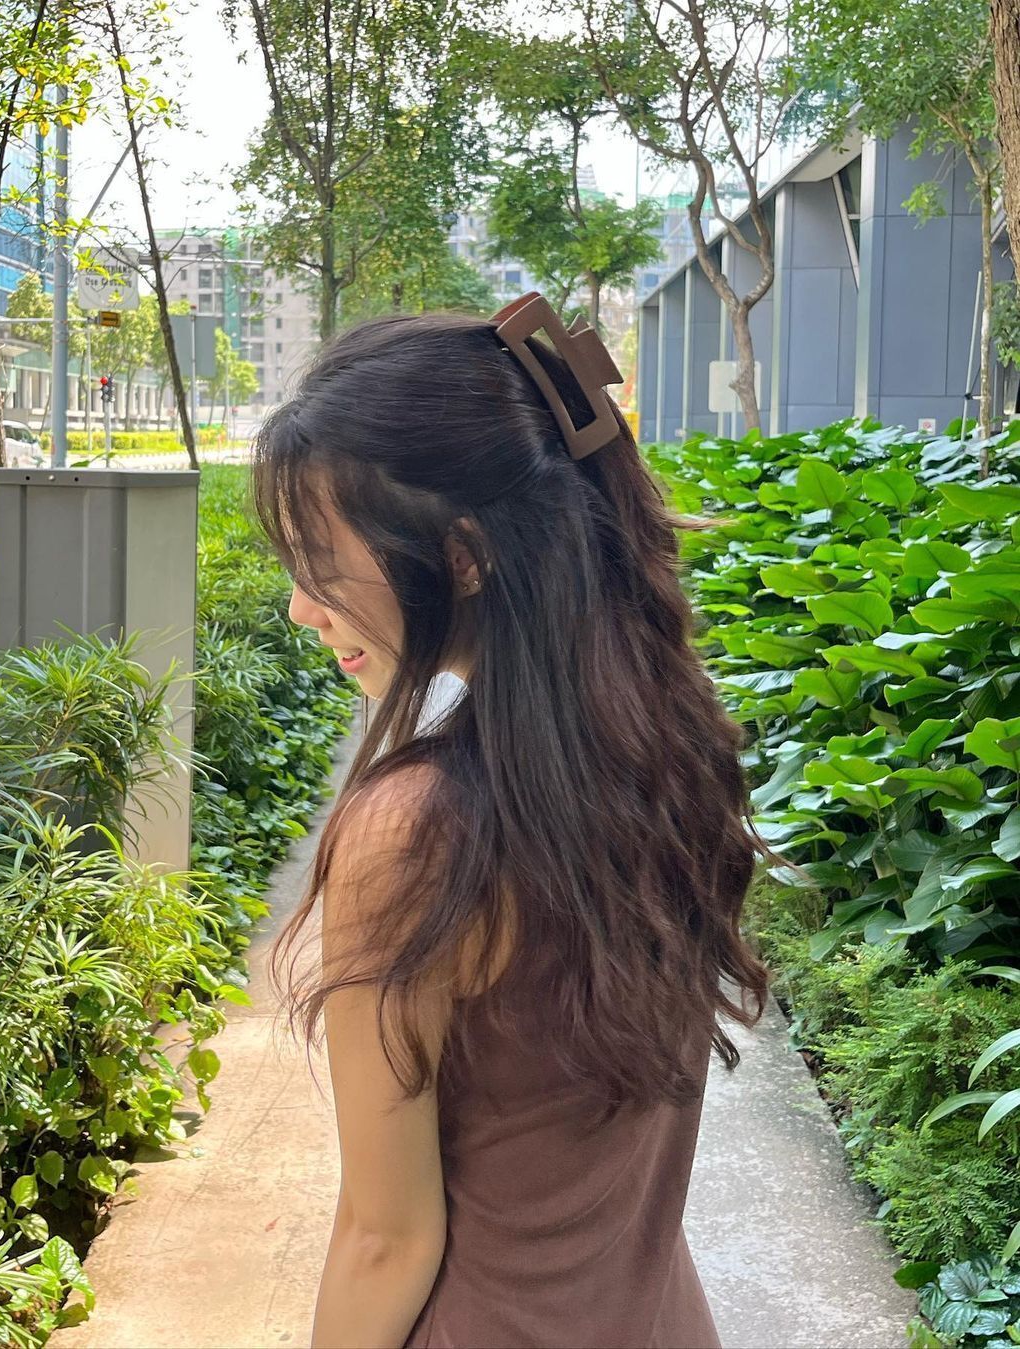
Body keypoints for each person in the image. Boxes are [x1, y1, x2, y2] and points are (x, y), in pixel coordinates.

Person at [251, 293, 774, 1349]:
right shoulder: (666, 757)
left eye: (318, 558)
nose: (302, 606)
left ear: (463, 557)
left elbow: (384, 1239)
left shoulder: (416, 834)